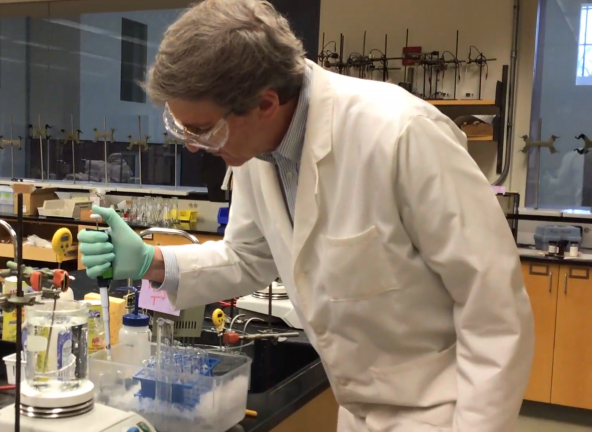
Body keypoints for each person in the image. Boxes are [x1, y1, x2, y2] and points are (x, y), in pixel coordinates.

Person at [78, 0, 534, 430]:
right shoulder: (257, 151)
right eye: (180, 128)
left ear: (265, 103)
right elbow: (248, 256)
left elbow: (493, 311)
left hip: (443, 411)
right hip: (356, 409)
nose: (194, 145)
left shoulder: (401, 134)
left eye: (202, 129)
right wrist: (152, 262)